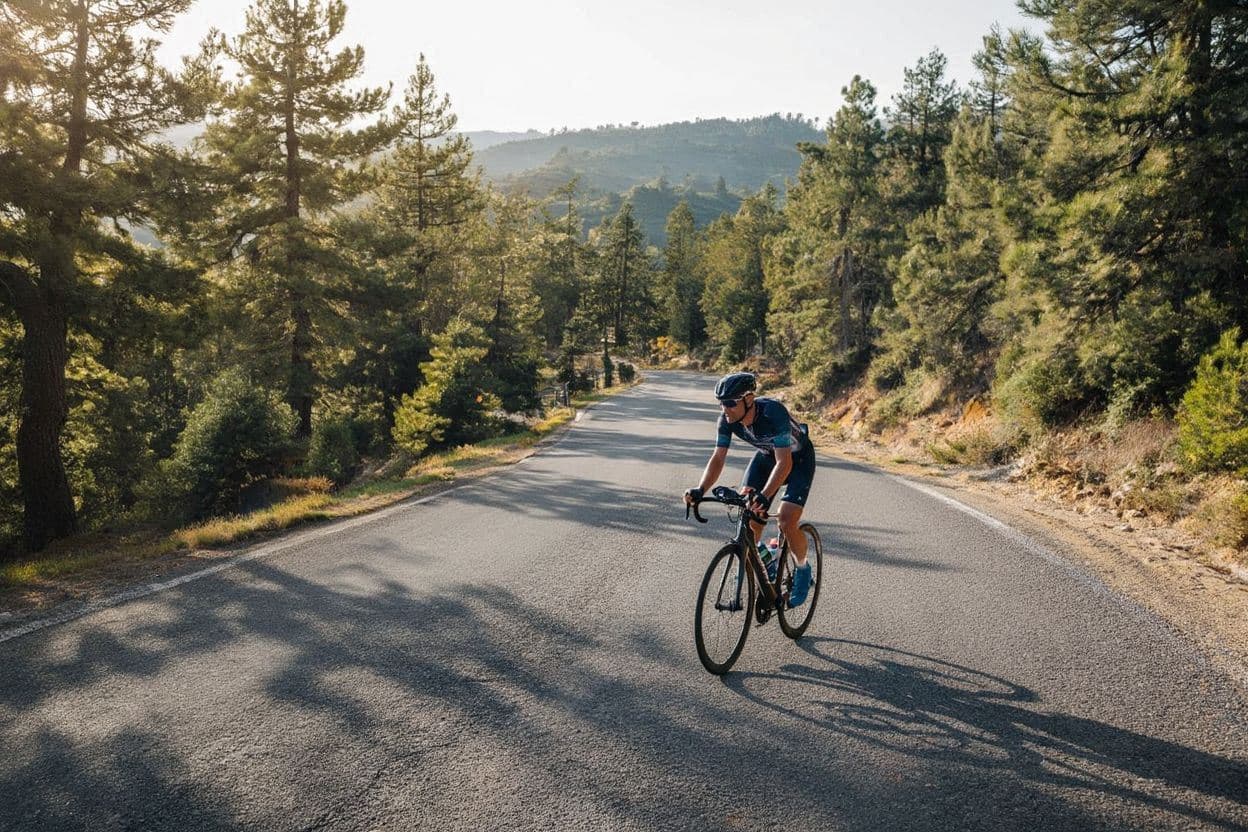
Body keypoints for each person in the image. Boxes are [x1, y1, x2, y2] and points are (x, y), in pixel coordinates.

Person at [683, 372, 816, 606]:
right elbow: (718, 457)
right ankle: (767, 559)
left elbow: (785, 463)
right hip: (766, 458)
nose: (725, 409)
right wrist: (700, 488)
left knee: (785, 520)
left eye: (730, 403)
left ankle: (803, 569)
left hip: (798, 461)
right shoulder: (726, 420)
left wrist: (765, 496)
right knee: (750, 517)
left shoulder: (773, 413)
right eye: (721, 403)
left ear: (748, 399)